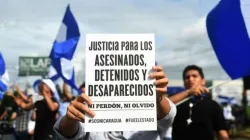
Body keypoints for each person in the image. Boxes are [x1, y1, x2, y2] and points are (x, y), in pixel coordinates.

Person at [53, 66, 208, 140]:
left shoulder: (151, 109)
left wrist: (157, 98)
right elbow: (68, 134)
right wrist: (70, 118)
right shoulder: (92, 108)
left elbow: (166, 115)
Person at [171, 65, 229, 140]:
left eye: (194, 76)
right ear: (184, 82)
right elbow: (162, 105)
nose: (190, 79)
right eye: (187, 77)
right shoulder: (177, 102)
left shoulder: (213, 105)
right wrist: (188, 92)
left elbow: (222, 132)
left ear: (203, 81)